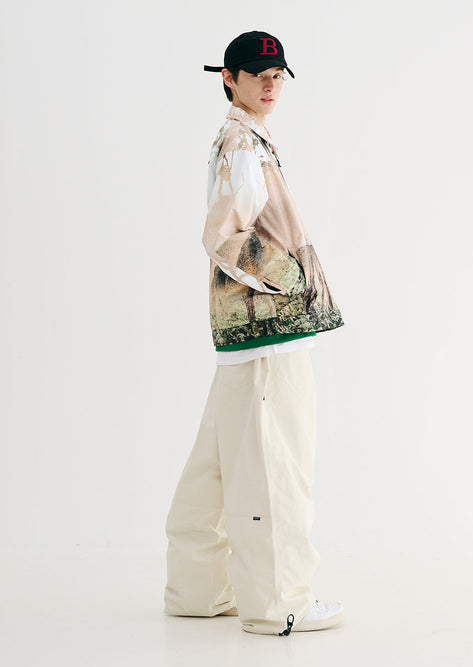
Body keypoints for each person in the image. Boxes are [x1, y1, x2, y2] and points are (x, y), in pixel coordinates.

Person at [164, 30, 346, 636]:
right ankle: (279, 604)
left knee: (216, 463)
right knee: (276, 465)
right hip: (268, 332)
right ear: (229, 78)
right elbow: (223, 236)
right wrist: (292, 279)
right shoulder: (243, 142)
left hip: (244, 335)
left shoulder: (241, 138)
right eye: (256, 74)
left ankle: (198, 590)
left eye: (277, 75)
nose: (270, 85)